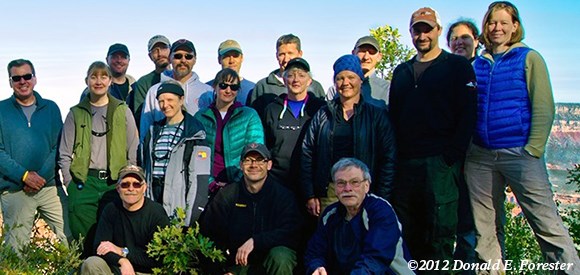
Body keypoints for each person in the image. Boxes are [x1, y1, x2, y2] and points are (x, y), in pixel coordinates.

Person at [465, 1, 580, 273]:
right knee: (486, 227)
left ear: (515, 26)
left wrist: (533, 149)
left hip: (520, 153)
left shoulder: (528, 58)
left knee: (546, 223)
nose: (497, 28)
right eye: (492, 22)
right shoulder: (477, 64)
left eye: (504, 22)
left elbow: (544, 106)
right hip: (480, 156)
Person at [388, 7, 477, 263]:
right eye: (418, 30)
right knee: (408, 232)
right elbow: (395, 117)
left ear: (438, 31)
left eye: (428, 29)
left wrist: (450, 158)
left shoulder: (457, 67)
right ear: (411, 33)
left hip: (440, 164)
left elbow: (468, 115)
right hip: (406, 167)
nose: (423, 35)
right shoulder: (402, 72)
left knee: (439, 233)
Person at [301, 54, 396, 218]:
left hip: (364, 190)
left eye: (351, 77)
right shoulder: (323, 115)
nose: (346, 83)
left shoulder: (376, 117)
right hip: (330, 190)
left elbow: (388, 158)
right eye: (340, 78)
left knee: (364, 238)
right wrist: (310, 194)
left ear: (360, 80)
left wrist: (381, 197)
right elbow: (307, 153)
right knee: (330, 238)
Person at [58, 61, 138, 254]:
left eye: (103, 76)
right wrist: (70, 183)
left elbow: (133, 149)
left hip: (114, 182)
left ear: (110, 81)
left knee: (113, 238)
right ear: (87, 81)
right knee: (83, 241)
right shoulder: (75, 113)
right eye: (94, 76)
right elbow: (64, 153)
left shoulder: (122, 110)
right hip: (84, 183)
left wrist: (127, 181)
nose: (98, 81)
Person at [0, 59, 70, 252]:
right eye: (17, 78)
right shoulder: (1, 110)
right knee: (15, 249)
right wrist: (24, 176)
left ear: (35, 78)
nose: (23, 81)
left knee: (70, 239)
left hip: (49, 187)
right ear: (10, 82)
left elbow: (59, 146)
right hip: (15, 191)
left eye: (27, 76)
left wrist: (39, 178)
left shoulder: (51, 108)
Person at [200, 143, 302, 275]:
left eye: (260, 160)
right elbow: (209, 236)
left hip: (269, 265)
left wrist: (256, 241)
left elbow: (292, 233)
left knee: (281, 256)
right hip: (237, 265)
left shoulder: (283, 196)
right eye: (248, 160)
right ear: (241, 165)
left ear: (269, 165)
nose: (254, 165)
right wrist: (221, 271)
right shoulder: (226, 195)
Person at [305, 158, 413, 275]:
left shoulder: (380, 211)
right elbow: (315, 250)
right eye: (341, 183)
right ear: (335, 188)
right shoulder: (330, 214)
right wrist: (317, 266)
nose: (347, 188)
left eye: (354, 182)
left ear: (366, 185)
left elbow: (375, 259)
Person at [141, 81, 211, 225]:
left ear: (181, 99)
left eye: (170, 100)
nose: (165, 105)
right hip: (154, 198)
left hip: (178, 201)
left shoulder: (195, 133)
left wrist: (189, 220)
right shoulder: (153, 131)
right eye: (161, 101)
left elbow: (199, 181)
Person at [80, 165, 170, 275]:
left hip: (148, 271)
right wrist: (122, 261)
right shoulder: (111, 209)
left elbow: (159, 258)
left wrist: (122, 252)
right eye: (125, 184)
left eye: (136, 184)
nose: (131, 189)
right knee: (92, 263)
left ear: (144, 187)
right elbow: (99, 248)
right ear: (118, 188)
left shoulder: (156, 213)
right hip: (119, 268)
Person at [194, 68, 264, 196]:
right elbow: (195, 153)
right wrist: (210, 183)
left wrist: (235, 184)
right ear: (214, 87)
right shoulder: (200, 117)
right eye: (223, 85)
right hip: (207, 186)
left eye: (234, 87)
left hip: (241, 186)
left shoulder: (249, 116)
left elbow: (255, 152)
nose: (228, 90)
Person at [262, 57, 326, 193]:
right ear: (284, 80)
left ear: (309, 81)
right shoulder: (272, 109)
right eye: (291, 75)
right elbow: (265, 145)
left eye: (301, 75)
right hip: (277, 181)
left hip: (310, 183)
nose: (296, 80)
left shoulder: (320, 109)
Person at [446, 18, 480, 267]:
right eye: (454, 38)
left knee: (478, 220)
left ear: (476, 41)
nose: (459, 42)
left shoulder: (485, 69)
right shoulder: (444, 72)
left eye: (465, 37)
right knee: (457, 216)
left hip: (481, 155)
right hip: (450, 156)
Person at [140, 39, 212, 142]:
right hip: (162, 154)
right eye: (178, 56)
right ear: (170, 59)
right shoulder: (154, 91)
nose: (183, 60)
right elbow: (145, 130)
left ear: (195, 59)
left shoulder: (207, 92)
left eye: (188, 56)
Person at [247, 34, 326, 117]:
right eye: (282, 54)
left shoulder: (315, 86)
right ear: (276, 55)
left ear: (300, 54)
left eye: (290, 53)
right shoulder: (263, 86)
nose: (286, 59)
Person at [326, 36, 390, 108]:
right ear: (353, 53)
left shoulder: (388, 89)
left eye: (371, 52)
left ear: (379, 56)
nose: (366, 57)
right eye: (362, 51)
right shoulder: (335, 90)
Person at [199, 39, 256, 108]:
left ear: (242, 58)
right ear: (219, 59)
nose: (231, 61)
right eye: (226, 56)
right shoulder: (207, 89)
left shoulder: (253, 89)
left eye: (235, 56)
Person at [131, 35, 171, 127]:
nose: (160, 53)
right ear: (150, 56)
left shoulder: (181, 77)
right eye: (155, 50)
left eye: (163, 48)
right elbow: (141, 116)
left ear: (171, 50)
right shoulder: (143, 82)